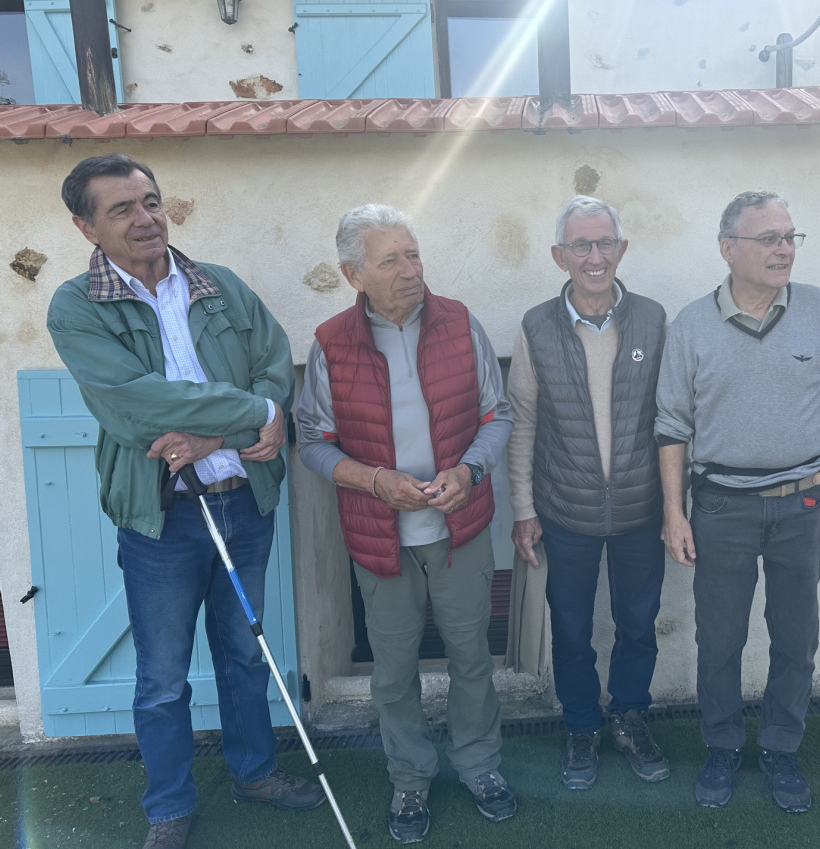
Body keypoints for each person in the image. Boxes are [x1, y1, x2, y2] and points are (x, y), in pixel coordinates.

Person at [47, 154, 321, 849]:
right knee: (164, 678)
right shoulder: (76, 307)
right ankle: (168, 807)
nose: (145, 218)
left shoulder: (219, 285)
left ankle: (254, 773)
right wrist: (250, 416)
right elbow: (135, 404)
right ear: (86, 227)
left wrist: (217, 435)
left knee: (245, 655)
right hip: (162, 521)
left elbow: (273, 364)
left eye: (151, 201)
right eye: (122, 209)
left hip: (243, 502)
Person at [295, 204, 515, 844]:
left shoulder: (460, 323)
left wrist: (469, 471)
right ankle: (410, 778)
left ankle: (479, 765)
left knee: (472, 658)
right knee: (393, 673)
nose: (410, 270)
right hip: (379, 538)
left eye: (413, 254)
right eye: (389, 260)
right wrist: (375, 481)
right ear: (353, 275)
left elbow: (497, 414)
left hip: (459, 529)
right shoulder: (331, 342)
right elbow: (313, 442)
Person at [655, 190, 820, 814]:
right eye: (769, 238)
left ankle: (779, 746)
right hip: (720, 507)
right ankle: (722, 745)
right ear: (728, 249)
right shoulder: (691, 325)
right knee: (720, 638)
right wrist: (673, 511)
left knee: (796, 636)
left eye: (790, 237)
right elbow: (671, 425)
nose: (784, 249)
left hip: (804, 505)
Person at [508, 196, 670, 790]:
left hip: (641, 510)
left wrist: (674, 506)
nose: (594, 256)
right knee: (571, 630)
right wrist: (523, 509)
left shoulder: (652, 319)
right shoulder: (536, 326)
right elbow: (523, 421)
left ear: (621, 250)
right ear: (561, 256)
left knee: (638, 624)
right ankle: (581, 727)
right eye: (581, 245)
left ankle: (629, 717)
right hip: (565, 513)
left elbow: (673, 420)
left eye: (604, 243)